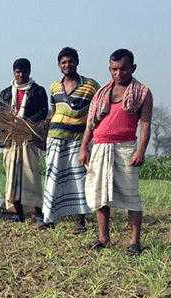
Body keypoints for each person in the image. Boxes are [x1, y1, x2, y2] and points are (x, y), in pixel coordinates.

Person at [79, 48, 153, 255]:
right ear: (109, 69)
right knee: (99, 195)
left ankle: (134, 242)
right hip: (100, 146)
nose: (118, 74)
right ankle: (104, 238)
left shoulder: (142, 93)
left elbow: (146, 124)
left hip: (126, 147)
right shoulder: (102, 93)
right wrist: (84, 147)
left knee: (132, 196)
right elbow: (90, 123)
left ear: (133, 68)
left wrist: (141, 150)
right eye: (114, 69)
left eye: (123, 69)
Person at [40, 47, 100, 233]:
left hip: (77, 140)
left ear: (77, 62)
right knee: (52, 177)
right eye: (64, 62)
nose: (67, 65)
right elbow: (54, 111)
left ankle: (80, 221)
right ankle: (49, 218)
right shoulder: (54, 86)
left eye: (70, 61)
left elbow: (96, 113)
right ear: (59, 66)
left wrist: (91, 141)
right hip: (55, 138)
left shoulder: (90, 86)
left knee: (78, 178)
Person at [0, 58, 48, 223]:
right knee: (13, 177)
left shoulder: (38, 91)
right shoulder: (5, 93)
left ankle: (38, 212)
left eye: (24, 72)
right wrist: (9, 125)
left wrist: (25, 123)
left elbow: (43, 111)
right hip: (11, 139)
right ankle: (18, 213)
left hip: (28, 138)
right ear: (14, 72)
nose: (21, 75)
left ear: (29, 72)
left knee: (31, 175)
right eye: (17, 72)